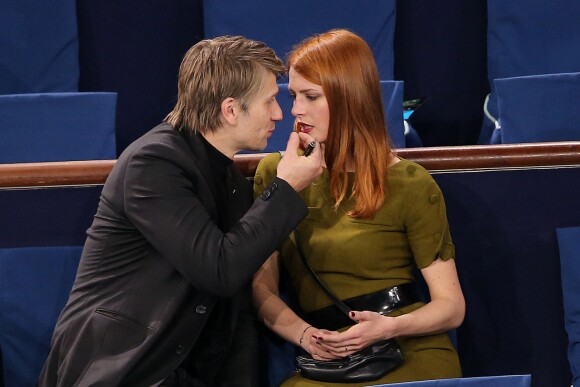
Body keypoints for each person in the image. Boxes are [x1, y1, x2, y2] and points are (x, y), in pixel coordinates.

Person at [38, 35, 323, 386]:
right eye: (270, 102)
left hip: (184, 371)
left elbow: (235, 311)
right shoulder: (154, 163)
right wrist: (286, 187)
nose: (280, 114)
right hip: (121, 367)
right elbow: (220, 269)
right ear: (231, 110)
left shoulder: (229, 178)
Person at [252, 29, 465, 386]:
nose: (296, 110)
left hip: (405, 345)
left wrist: (389, 327)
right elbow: (262, 290)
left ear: (348, 97)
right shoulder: (275, 173)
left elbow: (451, 306)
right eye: (293, 95)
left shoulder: (410, 182)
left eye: (310, 96)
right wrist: (307, 336)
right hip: (326, 352)